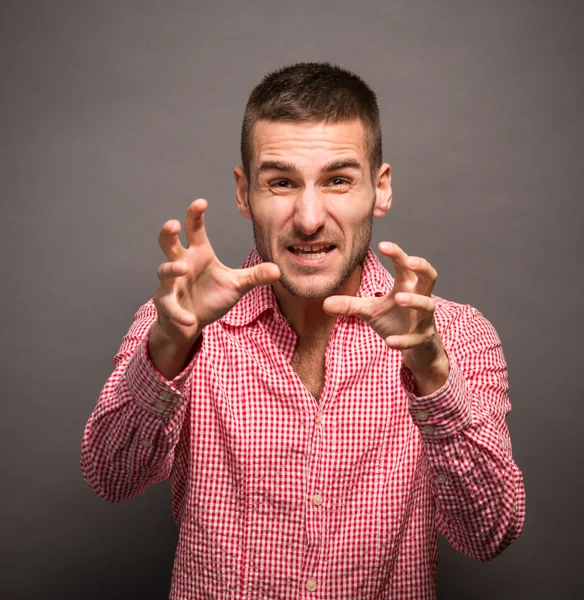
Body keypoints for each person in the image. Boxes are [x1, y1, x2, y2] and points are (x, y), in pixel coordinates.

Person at [81, 62, 526, 599]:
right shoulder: (177, 325)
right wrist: (171, 349)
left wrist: (433, 379)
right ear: (244, 194)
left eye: (338, 180)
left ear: (380, 190)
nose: (309, 217)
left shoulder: (455, 336)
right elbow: (110, 478)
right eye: (282, 183)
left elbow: (489, 534)